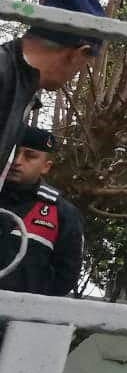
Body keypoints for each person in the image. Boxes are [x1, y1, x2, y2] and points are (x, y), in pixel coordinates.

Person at [0, 0, 106, 174]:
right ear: (79, 54)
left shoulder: (18, 85)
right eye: (84, 64)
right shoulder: (5, 79)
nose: (76, 73)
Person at [0, 127, 84, 298]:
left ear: (46, 166)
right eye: (13, 152)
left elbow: (66, 276)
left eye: (29, 156)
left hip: (22, 312)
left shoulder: (62, 213)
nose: (17, 161)